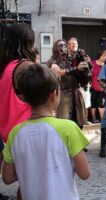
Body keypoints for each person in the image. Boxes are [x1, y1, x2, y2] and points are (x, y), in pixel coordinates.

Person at [2, 64, 90, 200]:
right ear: (54, 95)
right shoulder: (68, 128)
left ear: (24, 97)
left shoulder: (15, 133)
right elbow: (84, 173)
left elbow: (7, 178)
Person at [0, 24, 36, 199]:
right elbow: (43, 92)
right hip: (26, 130)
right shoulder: (25, 66)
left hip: (9, 130)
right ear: (27, 42)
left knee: (25, 181)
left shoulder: (7, 66)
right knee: (29, 184)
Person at [48, 39, 88, 129]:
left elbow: (84, 74)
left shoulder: (71, 60)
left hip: (75, 94)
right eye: (61, 46)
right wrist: (76, 68)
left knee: (78, 123)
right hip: (62, 94)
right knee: (64, 123)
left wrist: (87, 65)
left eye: (65, 45)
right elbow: (58, 72)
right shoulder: (52, 61)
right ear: (55, 48)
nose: (64, 47)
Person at [67, 37, 93, 125]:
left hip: (83, 83)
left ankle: (84, 119)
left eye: (76, 44)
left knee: (85, 102)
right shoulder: (66, 56)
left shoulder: (82, 55)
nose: (74, 45)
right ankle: (75, 120)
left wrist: (89, 62)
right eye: (72, 44)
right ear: (68, 45)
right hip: (72, 83)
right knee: (74, 104)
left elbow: (91, 69)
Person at [90, 50, 106, 123]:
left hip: (102, 88)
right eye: (103, 56)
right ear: (99, 55)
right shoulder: (92, 63)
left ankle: (102, 119)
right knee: (92, 103)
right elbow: (89, 73)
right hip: (93, 86)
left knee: (101, 104)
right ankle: (93, 118)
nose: (105, 57)